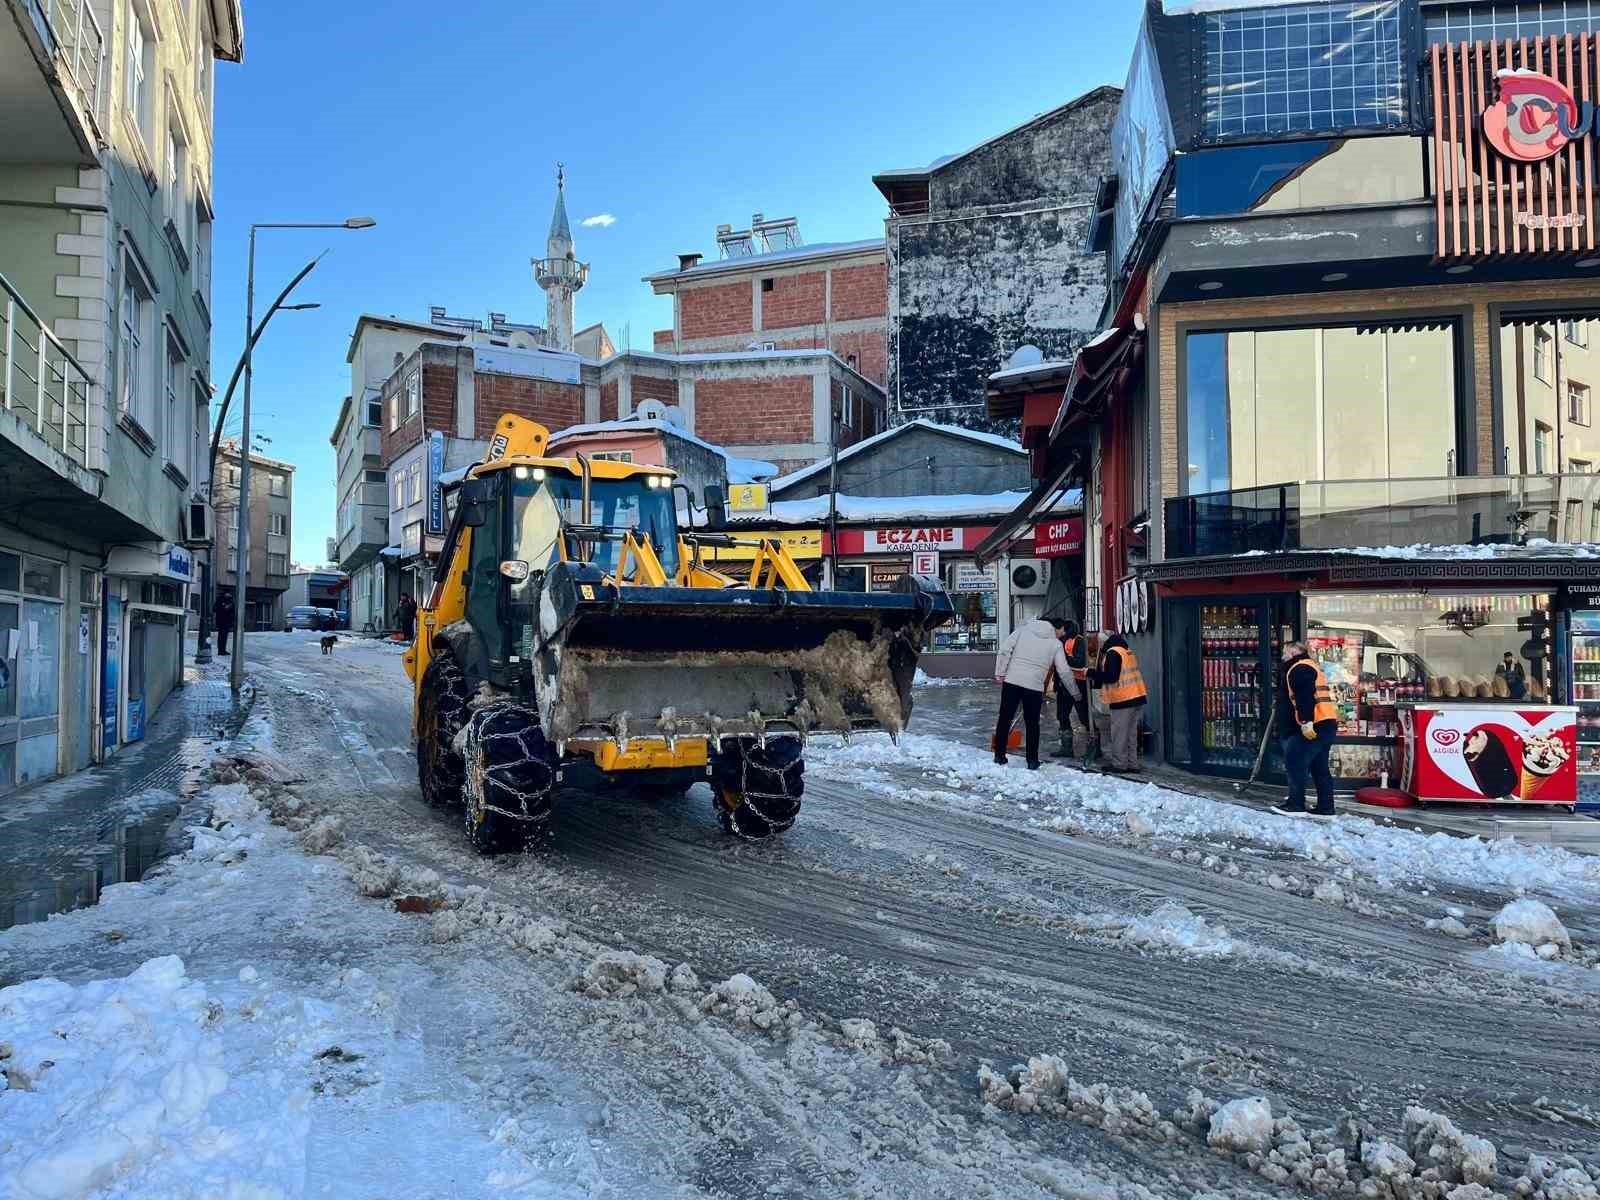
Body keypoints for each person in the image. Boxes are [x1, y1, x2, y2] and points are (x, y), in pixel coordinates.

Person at [993, 617, 1079, 771]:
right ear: (1056, 628)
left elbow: (1004, 650)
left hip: (1012, 681)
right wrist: (1075, 692)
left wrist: (1000, 673)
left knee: (1005, 718)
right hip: (1034, 687)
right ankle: (1032, 760)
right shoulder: (1055, 644)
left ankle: (999, 755)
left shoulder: (1022, 631)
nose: (1062, 635)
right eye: (1062, 632)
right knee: (1032, 724)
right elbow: (1064, 671)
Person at [1272, 641, 1339, 818]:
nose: (1283, 655)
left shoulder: (1299, 668)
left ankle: (1296, 804)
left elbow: (1304, 696)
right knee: (1319, 767)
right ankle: (1326, 808)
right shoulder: (1310, 666)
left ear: (1295, 650)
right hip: (1326, 722)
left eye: (1286, 651)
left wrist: (1306, 721)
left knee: (1296, 764)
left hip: (1314, 725)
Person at [1088, 632, 1147, 772]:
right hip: (1137, 695)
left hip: (1123, 698)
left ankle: (1119, 764)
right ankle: (1132, 764)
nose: (1098, 645)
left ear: (1104, 642)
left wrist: (1091, 673)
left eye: (1099, 642)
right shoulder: (1126, 650)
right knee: (1131, 734)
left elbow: (1111, 677)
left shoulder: (1112, 653)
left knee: (1119, 734)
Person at [1051, 621, 1092, 758]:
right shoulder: (1060, 642)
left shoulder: (1079, 641)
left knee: (1084, 717)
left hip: (1078, 684)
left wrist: (1064, 659)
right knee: (1062, 716)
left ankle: (1094, 747)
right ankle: (1066, 748)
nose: (1058, 632)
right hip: (1063, 686)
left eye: (1060, 629)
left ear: (1065, 629)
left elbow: (1080, 662)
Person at [213, 588, 236, 657]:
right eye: (228, 593)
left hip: (228, 620)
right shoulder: (220, 599)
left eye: (230, 594)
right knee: (221, 636)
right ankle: (220, 650)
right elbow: (214, 608)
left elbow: (233, 610)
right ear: (225, 593)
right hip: (221, 620)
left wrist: (229, 608)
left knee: (225, 636)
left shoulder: (231, 600)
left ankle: (223, 650)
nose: (229, 595)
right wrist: (223, 607)